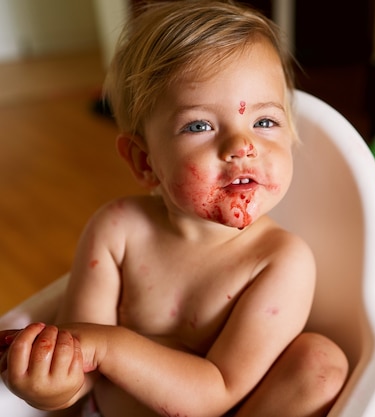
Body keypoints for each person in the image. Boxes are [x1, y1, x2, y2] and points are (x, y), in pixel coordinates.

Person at [0, 1, 349, 416]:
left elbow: (217, 391)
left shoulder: (279, 260)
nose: (242, 146)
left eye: (265, 122)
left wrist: (108, 345)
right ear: (145, 161)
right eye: (199, 126)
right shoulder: (117, 230)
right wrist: (50, 386)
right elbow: (83, 370)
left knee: (321, 364)